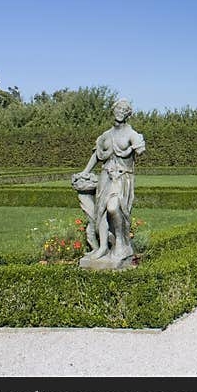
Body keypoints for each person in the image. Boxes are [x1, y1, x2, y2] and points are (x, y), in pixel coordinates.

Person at [74, 98, 146, 268]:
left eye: (124, 110)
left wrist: (138, 146)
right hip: (106, 177)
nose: (120, 112)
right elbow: (97, 156)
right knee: (101, 211)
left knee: (114, 208)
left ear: (128, 114)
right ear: (113, 111)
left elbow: (141, 150)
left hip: (122, 178)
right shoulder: (106, 135)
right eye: (118, 109)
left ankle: (121, 243)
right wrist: (85, 172)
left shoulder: (132, 134)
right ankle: (103, 248)